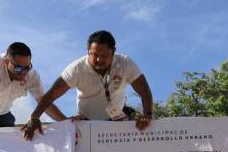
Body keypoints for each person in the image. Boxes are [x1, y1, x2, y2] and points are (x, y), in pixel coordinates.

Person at [21, 30, 153, 140]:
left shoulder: (126, 63)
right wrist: (35, 116)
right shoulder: (76, 68)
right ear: (87, 51)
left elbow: (144, 91)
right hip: (85, 123)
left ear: (113, 51)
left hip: (117, 122)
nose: (99, 60)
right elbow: (51, 95)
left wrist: (147, 114)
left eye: (104, 55)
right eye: (94, 55)